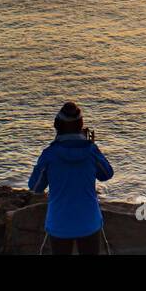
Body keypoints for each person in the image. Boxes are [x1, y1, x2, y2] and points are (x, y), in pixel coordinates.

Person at [28, 101, 114, 254]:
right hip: (89, 222)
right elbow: (107, 174)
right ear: (80, 126)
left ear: (57, 127)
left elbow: (35, 187)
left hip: (59, 224)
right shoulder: (91, 151)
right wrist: (93, 147)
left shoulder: (49, 154)